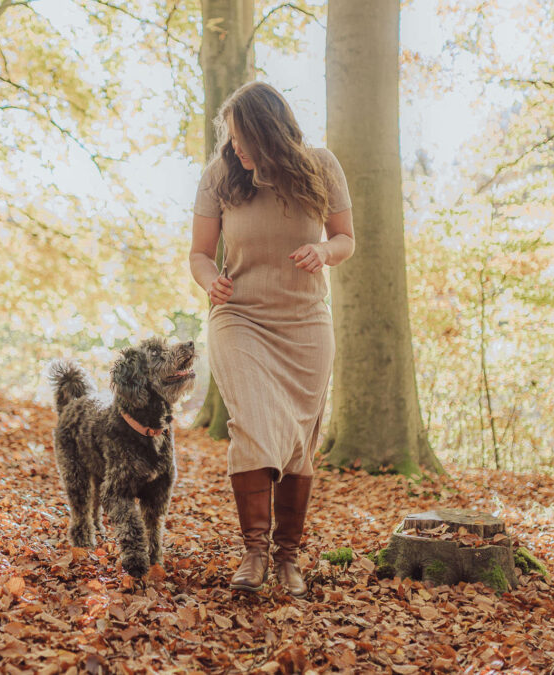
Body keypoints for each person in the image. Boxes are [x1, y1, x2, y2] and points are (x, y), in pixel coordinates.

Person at [189, 81, 354, 596]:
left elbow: (346, 238)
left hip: (305, 322)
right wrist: (206, 278)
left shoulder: (321, 166)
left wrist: (324, 254)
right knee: (253, 424)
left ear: (269, 130)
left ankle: (288, 558)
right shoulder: (220, 175)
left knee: (299, 442)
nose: (235, 146)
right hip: (239, 317)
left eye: (243, 136)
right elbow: (198, 253)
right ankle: (254, 553)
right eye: (231, 136)